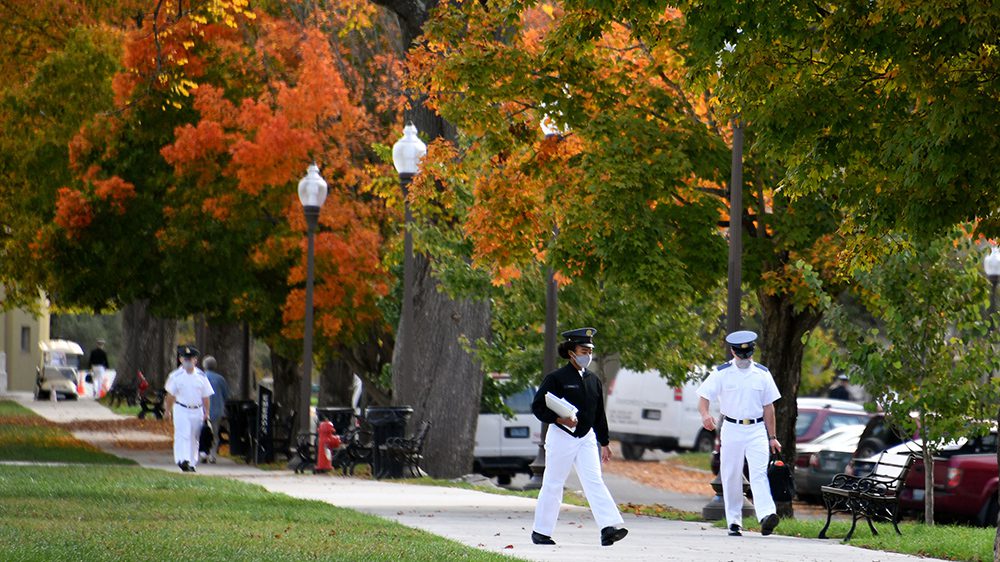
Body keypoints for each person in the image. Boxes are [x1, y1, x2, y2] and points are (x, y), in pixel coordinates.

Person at [530, 327, 628, 547]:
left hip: (586, 437)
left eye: (590, 351)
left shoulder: (593, 380)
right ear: (571, 352)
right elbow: (537, 406)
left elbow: (598, 414)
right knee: (554, 483)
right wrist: (558, 419)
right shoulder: (556, 378)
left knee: (594, 481)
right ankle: (541, 531)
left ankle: (608, 528)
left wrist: (605, 441)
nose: (588, 355)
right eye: (583, 350)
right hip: (562, 436)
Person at [697, 330, 781, 537]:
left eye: (748, 353)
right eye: (740, 354)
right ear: (733, 352)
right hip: (732, 428)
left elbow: (769, 407)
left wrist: (773, 437)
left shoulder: (762, 374)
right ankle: (734, 521)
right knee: (732, 474)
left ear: (752, 352)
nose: (744, 358)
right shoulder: (721, 373)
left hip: (756, 429)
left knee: (759, 473)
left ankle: (766, 515)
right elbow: (703, 397)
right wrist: (705, 415)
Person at [164, 345, 213, 473]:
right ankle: (182, 459)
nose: (188, 362)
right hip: (181, 408)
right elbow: (170, 395)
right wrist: (167, 410)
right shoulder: (175, 376)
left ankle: (192, 462)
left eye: (190, 359)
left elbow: (206, 396)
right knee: (182, 434)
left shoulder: (201, 376)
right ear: (180, 360)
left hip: (197, 410)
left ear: (195, 360)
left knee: (194, 437)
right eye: (185, 359)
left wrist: (206, 412)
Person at [201, 355, 230, 464]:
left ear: (204, 366)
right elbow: (226, 395)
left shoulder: (200, 377)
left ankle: (203, 453)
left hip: (201, 410)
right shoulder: (220, 379)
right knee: (215, 434)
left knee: (201, 432)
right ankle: (212, 455)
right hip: (217, 410)